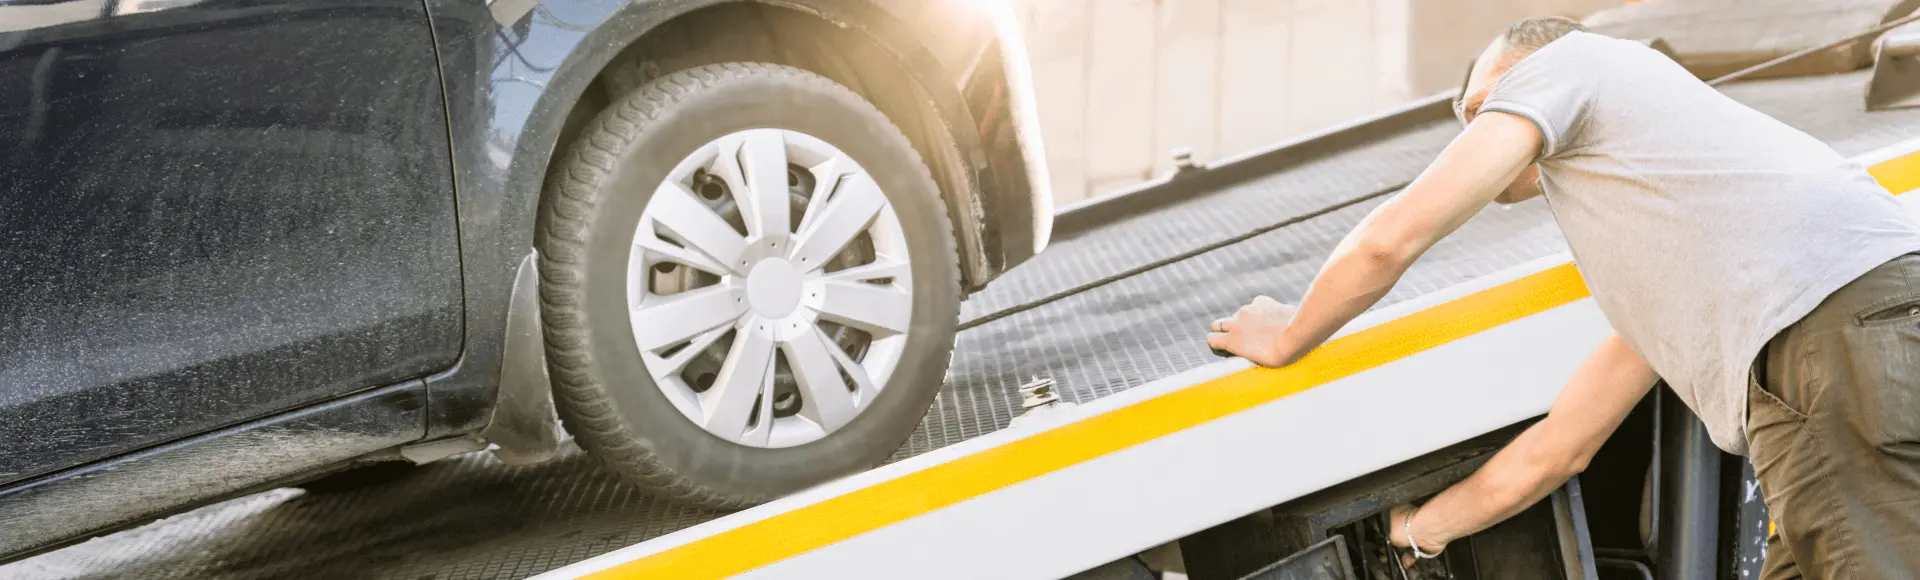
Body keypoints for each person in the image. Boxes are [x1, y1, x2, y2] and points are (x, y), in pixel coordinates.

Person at [1205, 16, 1920, 579]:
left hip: (1830, 340)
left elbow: (1394, 237)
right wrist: (1419, 532)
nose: (1473, 128)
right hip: (1849, 351)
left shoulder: (1575, 63)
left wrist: (1290, 332)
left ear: (1530, 67)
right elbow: (1562, 448)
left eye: (1482, 108)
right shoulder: (1692, 256)